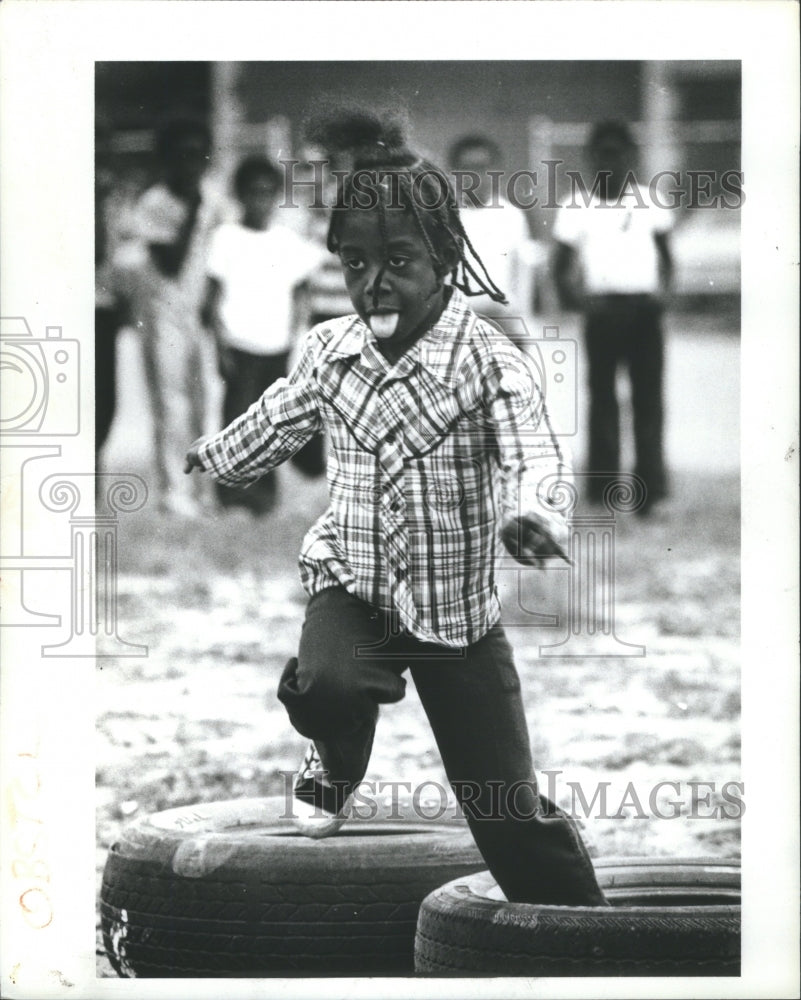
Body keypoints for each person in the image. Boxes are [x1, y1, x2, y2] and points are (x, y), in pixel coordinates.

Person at [184, 110, 607, 907]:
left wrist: (536, 516)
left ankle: (579, 928)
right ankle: (334, 762)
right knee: (330, 684)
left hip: (458, 617)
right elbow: (281, 413)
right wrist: (217, 456)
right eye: (355, 262)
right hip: (356, 582)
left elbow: (532, 449)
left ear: (446, 258)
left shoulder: (486, 359)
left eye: (400, 260)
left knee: (503, 803)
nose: (375, 282)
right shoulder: (328, 349)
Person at [552, 121, 674, 514]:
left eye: (618, 154)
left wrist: (662, 295)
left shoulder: (650, 200)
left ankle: (650, 491)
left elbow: (667, 257)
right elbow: (560, 267)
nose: (611, 162)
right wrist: (580, 303)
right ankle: (604, 490)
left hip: (643, 311)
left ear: (631, 158)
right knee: (603, 400)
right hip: (602, 312)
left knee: (648, 401)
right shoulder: (576, 205)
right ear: (591, 159)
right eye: (602, 154)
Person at [201, 155, 326, 513]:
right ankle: (234, 497)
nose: (261, 201)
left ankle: (264, 499)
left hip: (277, 346)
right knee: (239, 418)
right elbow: (212, 299)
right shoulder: (226, 237)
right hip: (239, 345)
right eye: (253, 193)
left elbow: (301, 293)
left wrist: (294, 339)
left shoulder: (286, 240)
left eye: (269, 193)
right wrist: (220, 346)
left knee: (270, 423)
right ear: (240, 195)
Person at [132, 118, 227, 518]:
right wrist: (192, 211)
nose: (193, 164)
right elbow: (169, 261)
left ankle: (204, 491)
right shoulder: (155, 203)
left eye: (198, 155)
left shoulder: (212, 199)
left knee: (204, 400)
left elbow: (219, 258)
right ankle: (175, 491)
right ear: (167, 159)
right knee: (171, 404)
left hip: (200, 312)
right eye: (183, 155)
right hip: (163, 313)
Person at [448, 134, 534, 345]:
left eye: (482, 168)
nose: (476, 176)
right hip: (456, 325)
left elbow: (522, 277)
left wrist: (522, 326)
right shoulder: (445, 217)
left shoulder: (512, 216)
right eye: (467, 169)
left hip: (503, 324)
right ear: (455, 173)